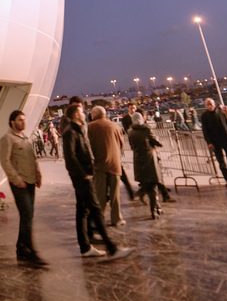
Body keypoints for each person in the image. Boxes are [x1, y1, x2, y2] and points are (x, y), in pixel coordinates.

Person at [63, 103, 132, 261]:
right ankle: (111, 248)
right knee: (94, 209)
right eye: (80, 111)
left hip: (90, 173)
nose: (83, 113)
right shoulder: (71, 132)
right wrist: (84, 175)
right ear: (75, 114)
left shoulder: (80, 129)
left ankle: (86, 247)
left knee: (83, 212)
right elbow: (70, 158)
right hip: (84, 178)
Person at [0, 109, 47, 268]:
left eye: (24, 120)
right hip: (19, 183)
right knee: (27, 214)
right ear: (12, 122)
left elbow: (33, 159)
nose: (23, 122)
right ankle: (30, 251)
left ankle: (21, 248)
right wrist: (16, 179)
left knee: (28, 215)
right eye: (20, 120)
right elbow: (5, 162)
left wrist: (38, 176)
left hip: (31, 181)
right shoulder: (7, 139)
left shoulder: (25, 138)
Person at [87, 106, 125, 227]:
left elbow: (88, 146)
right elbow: (121, 144)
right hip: (115, 164)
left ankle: (100, 220)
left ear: (94, 115)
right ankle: (117, 219)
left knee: (100, 195)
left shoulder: (90, 127)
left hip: (99, 166)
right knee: (115, 195)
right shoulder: (115, 126)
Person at [127, 111, 163, 219]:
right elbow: (156, 142)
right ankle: (153, 211)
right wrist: (158, 141)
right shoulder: (146, 129)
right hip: (149, 160)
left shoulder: (130, 132)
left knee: (147, 184)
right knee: (153, 186)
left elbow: (132, 147)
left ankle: (157, 207)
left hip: (138, 161)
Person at [200, 98, 227, 186]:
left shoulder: (221, 112)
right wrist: (209, 142)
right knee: (221, 163)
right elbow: (205, 130)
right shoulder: (204, 116)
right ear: (205, 106)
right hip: (215, 143)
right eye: (207, 104)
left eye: (210, 103)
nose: (209, 105)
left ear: (214, 104)